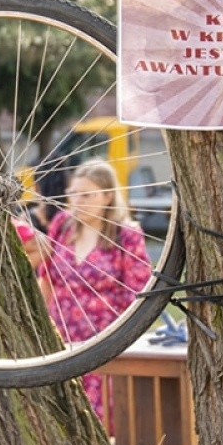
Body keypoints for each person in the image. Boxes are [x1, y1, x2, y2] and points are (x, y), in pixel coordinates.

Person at [38, 159, 151, 429]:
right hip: (63, 340)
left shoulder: (127, 235)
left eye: (87, 195)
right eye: (74, 194)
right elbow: (47, 277)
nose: (78, 201)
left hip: (105, 343)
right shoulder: (63, 225)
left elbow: (139, 292)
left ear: (107, 196)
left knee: (104, 421)